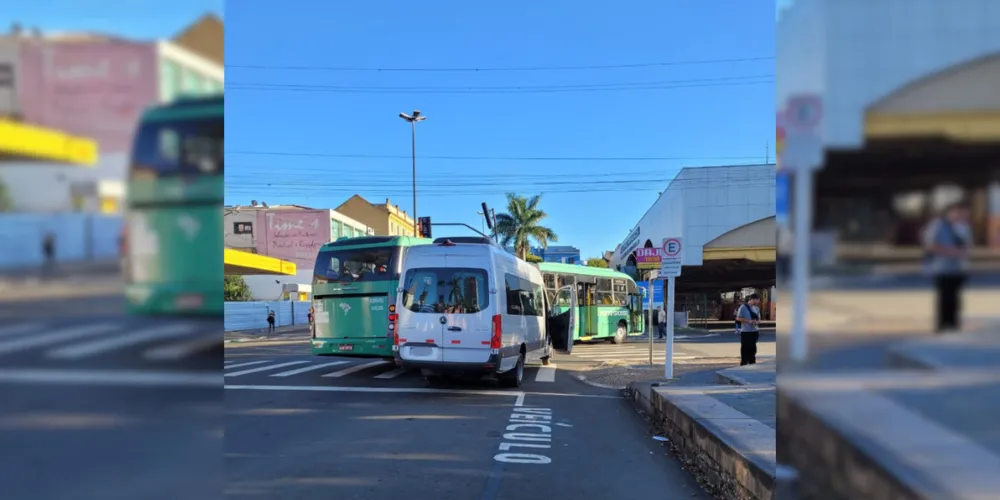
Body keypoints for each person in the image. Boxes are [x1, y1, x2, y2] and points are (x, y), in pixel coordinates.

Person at [923, 202, 972, 333]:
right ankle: (942, 325)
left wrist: (963, 253)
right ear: (950, 212)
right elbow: (930, 245)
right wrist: (949, 251)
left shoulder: (964, 227)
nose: (959, 215)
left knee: (955, 298)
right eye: (957, 212)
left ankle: (953, 325)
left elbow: (966, 246)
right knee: (944, 297)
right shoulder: (938, 225)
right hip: (942, 267)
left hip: (959, 268)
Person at [736, 294, 761, 365]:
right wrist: (748, 321)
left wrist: (756, 322)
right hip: (746, 332)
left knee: (753, 348)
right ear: (753, 299)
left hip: (755, 331)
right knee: (745, 348)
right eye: (758, 300)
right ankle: (744, 363)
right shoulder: (743, 307)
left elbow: (759, 319)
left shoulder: (757, 308)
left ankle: (752, 363)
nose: (758, 302)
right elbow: (738, 318)